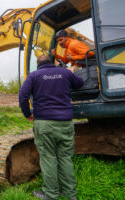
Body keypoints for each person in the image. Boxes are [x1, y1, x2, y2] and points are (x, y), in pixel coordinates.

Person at [18, 54, 84, 200]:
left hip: (44, 124)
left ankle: (51, 195)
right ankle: (71, 195)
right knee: (65, 158)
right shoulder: (65, 72)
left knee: (48, 158)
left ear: (38, 64)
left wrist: (27, 113)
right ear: (52, 62)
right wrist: (71, 73)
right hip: (66, 122)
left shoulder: (34, 75)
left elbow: (23, 96)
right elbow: (80, 84)